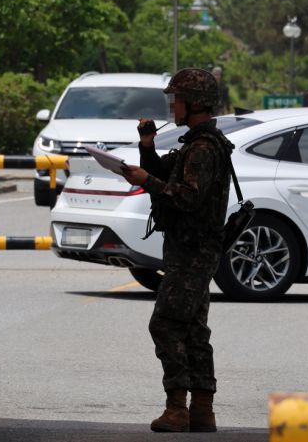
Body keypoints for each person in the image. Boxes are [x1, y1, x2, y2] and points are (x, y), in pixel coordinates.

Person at [120, 68, 233, 432]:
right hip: (192, 249)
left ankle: (177, 408)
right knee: (194, 329)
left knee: (166, 324)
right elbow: (163, 172)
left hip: (193, 251)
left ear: (195, 102)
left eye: (178, 98)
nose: (173, 105)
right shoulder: (195, 144)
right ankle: (202, 410)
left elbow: (187, 198)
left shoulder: (202, 149)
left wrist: (147, 182)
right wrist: (147, 144)